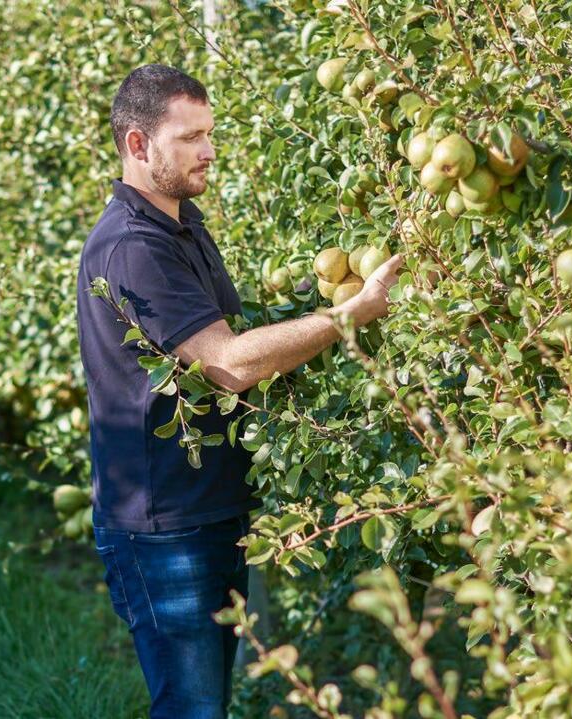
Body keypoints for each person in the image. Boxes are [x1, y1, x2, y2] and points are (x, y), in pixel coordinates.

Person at [75, 63, 402, 719]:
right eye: (190, 136)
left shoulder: (182, 223)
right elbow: (226, 363)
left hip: (207, 509)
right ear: (138, 145)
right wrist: (348, 315)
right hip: (163, 527)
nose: (208, 150)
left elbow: (229, 334)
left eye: (210, 133)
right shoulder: (132, 248)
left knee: (206, 703)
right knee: (191, 708)